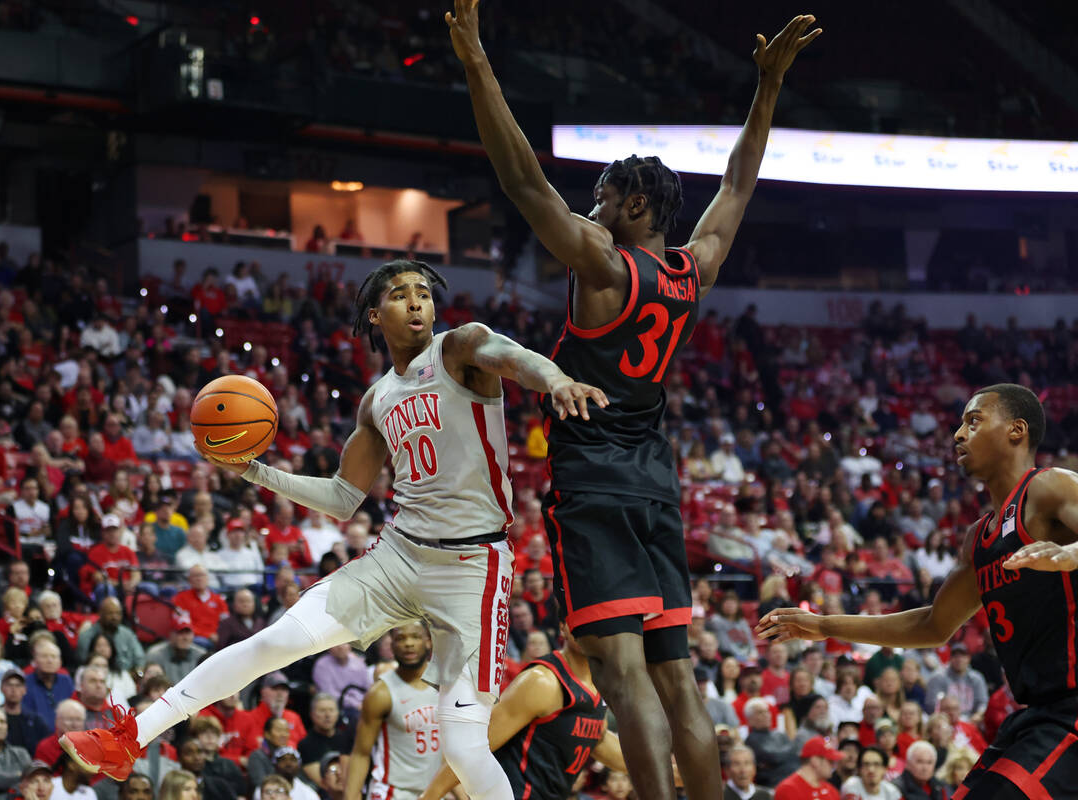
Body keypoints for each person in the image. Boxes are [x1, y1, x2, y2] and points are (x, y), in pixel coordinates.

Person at [447, 3, 820, 798]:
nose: (592, 206)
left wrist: (477, 63)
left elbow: (519, 179)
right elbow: (739, 180)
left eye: (604, 194)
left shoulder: (603, 263)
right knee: (677, 679)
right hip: (658, 484)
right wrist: (767, 90)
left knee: (622, 678)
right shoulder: (696, 267)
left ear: (635, 207)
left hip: (596, 482)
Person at [62, 257, 606, 800]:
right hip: (400, 553)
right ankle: (129, 738)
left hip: (473, 566)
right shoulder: (376, 400)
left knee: (463, 748)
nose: (417, 301)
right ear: (374, 314)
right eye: (400, 294)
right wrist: (255, 470)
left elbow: (512, 356)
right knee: (273, 642)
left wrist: (555, 379)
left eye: (424, 292)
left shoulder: (461, 347)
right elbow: (345, 498)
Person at [760, 383, 1078, 799]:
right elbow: (933, 624)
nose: (958, 435)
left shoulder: (1051, 487)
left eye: (974, 421)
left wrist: (1071, 554)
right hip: (1037, 713)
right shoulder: (978, 538)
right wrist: (824, 625)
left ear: (1016, 430)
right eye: (960, 424)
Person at [420, 625, 629, 800]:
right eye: (582, 620)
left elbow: (605, 745)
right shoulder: (542, 681)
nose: (591, 629)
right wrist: (430, 796)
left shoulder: (598, 686)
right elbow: (472, 748)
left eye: (597, 621)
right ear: (564, 626)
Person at [344, 623, 439, 800]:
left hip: (433, 791)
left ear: (428, 642)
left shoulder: (445, 686)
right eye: (400, 638)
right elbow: (360, 752)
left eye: (415, 637)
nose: (408, 643)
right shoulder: (380, 692)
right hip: (392, 792)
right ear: (392, 646)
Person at [773, 738, 842, 800]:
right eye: (830, 761)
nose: (833, 766)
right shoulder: (788, 790)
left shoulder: (831, 791)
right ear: (815, 761)